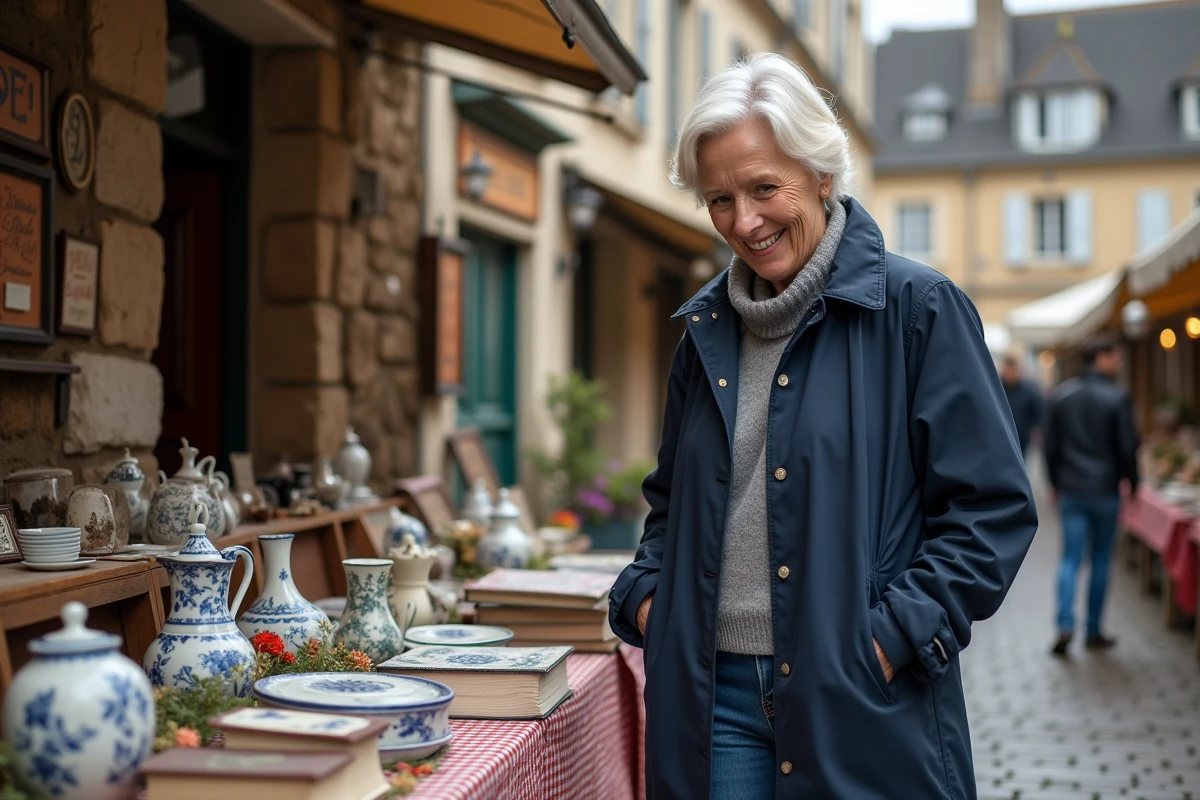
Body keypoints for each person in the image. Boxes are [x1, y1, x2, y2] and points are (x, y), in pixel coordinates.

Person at [608, 53, 1038, 800]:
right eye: (719, 200)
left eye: (765, 188)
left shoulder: (919, 311)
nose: (744, 221)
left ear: (823, 175)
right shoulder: (703, 332)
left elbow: (990, 511)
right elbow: (671, 504)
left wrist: (887, 639)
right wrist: (648, 597)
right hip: (713, 700)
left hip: (862, 692)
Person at [1044, 334, 1140, 657]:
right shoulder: (1117, 397)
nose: (1120, 362)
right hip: (1104, 490)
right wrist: (1135, 484)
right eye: (1116, 355)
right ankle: (1094, 629)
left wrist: (1055, 482)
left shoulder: (1062, 395)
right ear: (1101, 358)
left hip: (1072, 487)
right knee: (1100, 559)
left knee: (1070, 559)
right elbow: (1128, 448)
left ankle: (1064, 623)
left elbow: (1050, 446)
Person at [1000, 353, 1044, 458]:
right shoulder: (999, 391)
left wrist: (1034, 429)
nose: (1009, 373)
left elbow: (1037, 412)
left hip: (1021, 438)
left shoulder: (1028, 391)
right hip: (1002, 436)